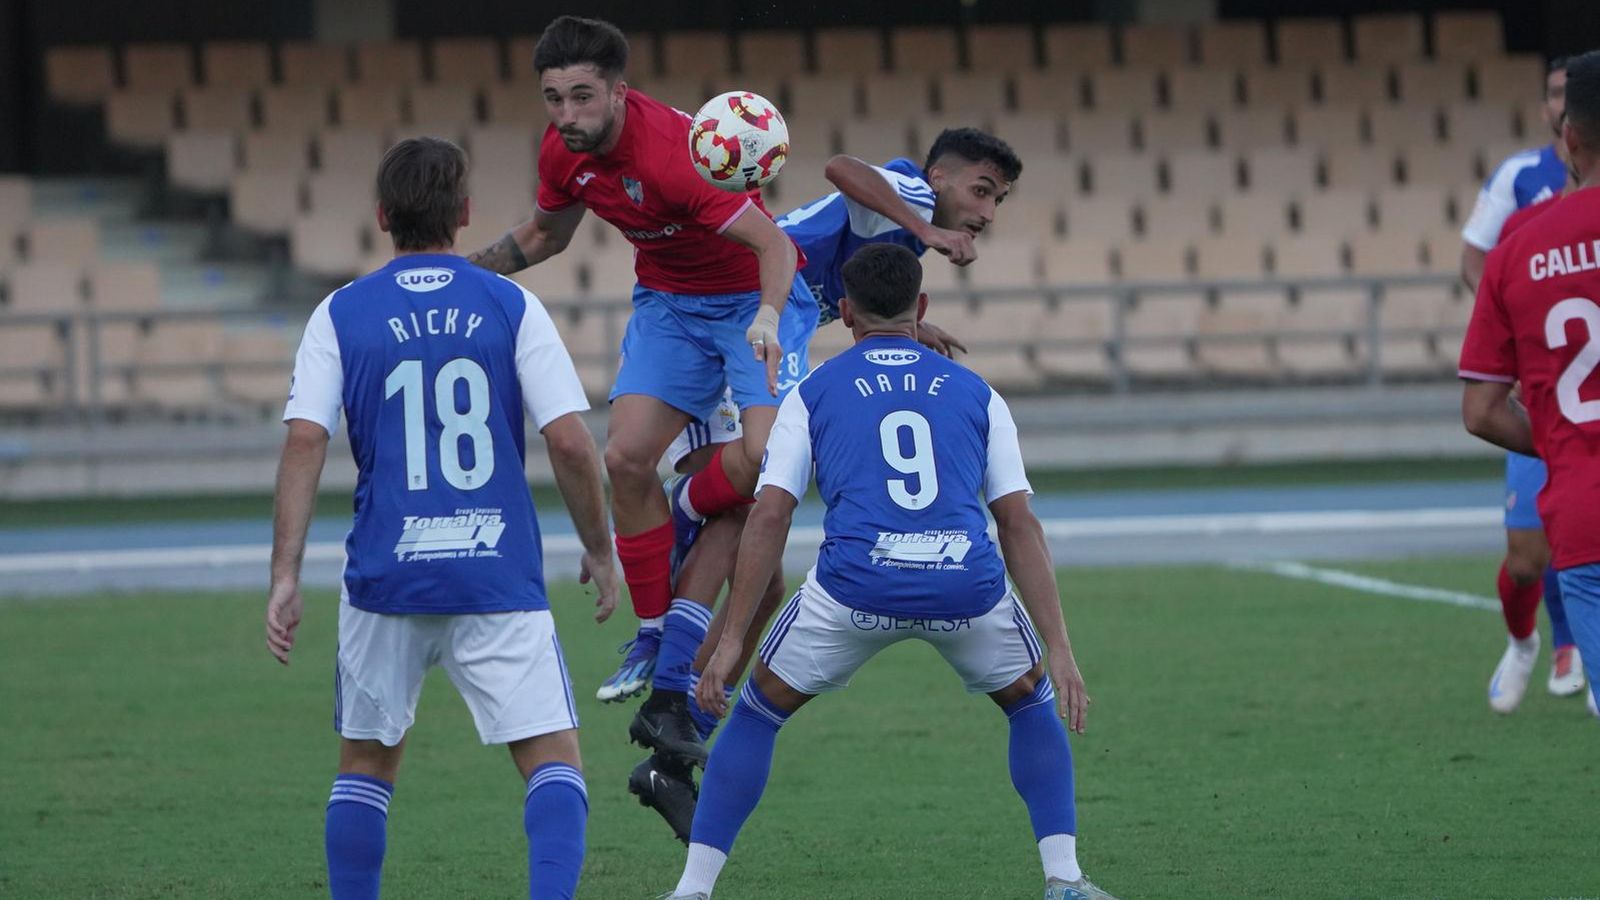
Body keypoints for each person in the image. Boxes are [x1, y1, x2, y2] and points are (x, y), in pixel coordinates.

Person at [664, 244, 1115, 900]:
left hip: (855, 588)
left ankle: (692, 891)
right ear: (922, 308)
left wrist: (732, 640)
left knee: (759, 712)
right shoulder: (977, 392)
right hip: (965, 585)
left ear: (845, 313)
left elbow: (770, 515)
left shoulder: (812, 393)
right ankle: (1065, 879)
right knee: (1029, 702)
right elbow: (1019, 525)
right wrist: (1062, 647)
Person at [629, 129, 1025, 834]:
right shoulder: (905, 191)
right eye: (981, 191)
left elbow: (846, 300)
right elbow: (841, 165)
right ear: (938, 176)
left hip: (758, 327)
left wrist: (906, 327)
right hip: (740, 312)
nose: (988, 211)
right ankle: (670, 667)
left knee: (766, 579)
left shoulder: (897, 241)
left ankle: (676, 742)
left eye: (998, 199)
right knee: (746, 496)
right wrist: (926, 224)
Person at [265, 137, 618, 900]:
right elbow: (568, 440)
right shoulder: (511, 303)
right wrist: (602, 547)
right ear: (463, 215)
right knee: (552, 760)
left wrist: (285, 576)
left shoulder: (341, 312)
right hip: (496, 573)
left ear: (383, 215)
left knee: (365, 766)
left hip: (386, 574)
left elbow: (304, 441)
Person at [466, 15, 817, 706]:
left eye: (583, 97)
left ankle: (681, 509)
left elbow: (773, 247)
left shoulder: (675, 155)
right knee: (624, 460)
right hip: (669, 306)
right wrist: (463, 277)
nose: (567, 114)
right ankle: (652, 635)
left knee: (765, 462)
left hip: (751, 301)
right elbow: (545, 235)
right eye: (553, 98)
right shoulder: (563, 152)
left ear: (619, 92)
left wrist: (769, 317)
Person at [1460, 48, 1600, 722]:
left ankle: (1569, 650)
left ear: (1572, 128)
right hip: (1547, 402)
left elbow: (1476, 409)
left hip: (1569, 436)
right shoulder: (1517, 183)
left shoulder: (1529, 243)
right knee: (1524, 559)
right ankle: (1524, 643)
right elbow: (1472, 257)